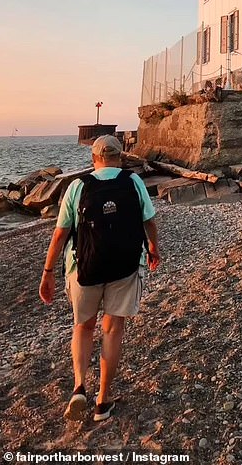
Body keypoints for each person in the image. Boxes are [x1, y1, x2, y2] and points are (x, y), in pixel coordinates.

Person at [39, 135, 160, 422]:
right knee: (112, 327)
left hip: (84, 266)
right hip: (126, 265)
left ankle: (80, 385)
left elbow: (61, 233)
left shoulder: (78, 186)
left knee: (83, 326)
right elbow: (149, 221)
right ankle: (102, 401)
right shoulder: (133, 182)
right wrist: (153, 249)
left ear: (93, 158)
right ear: (121, 156)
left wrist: (48, 272)